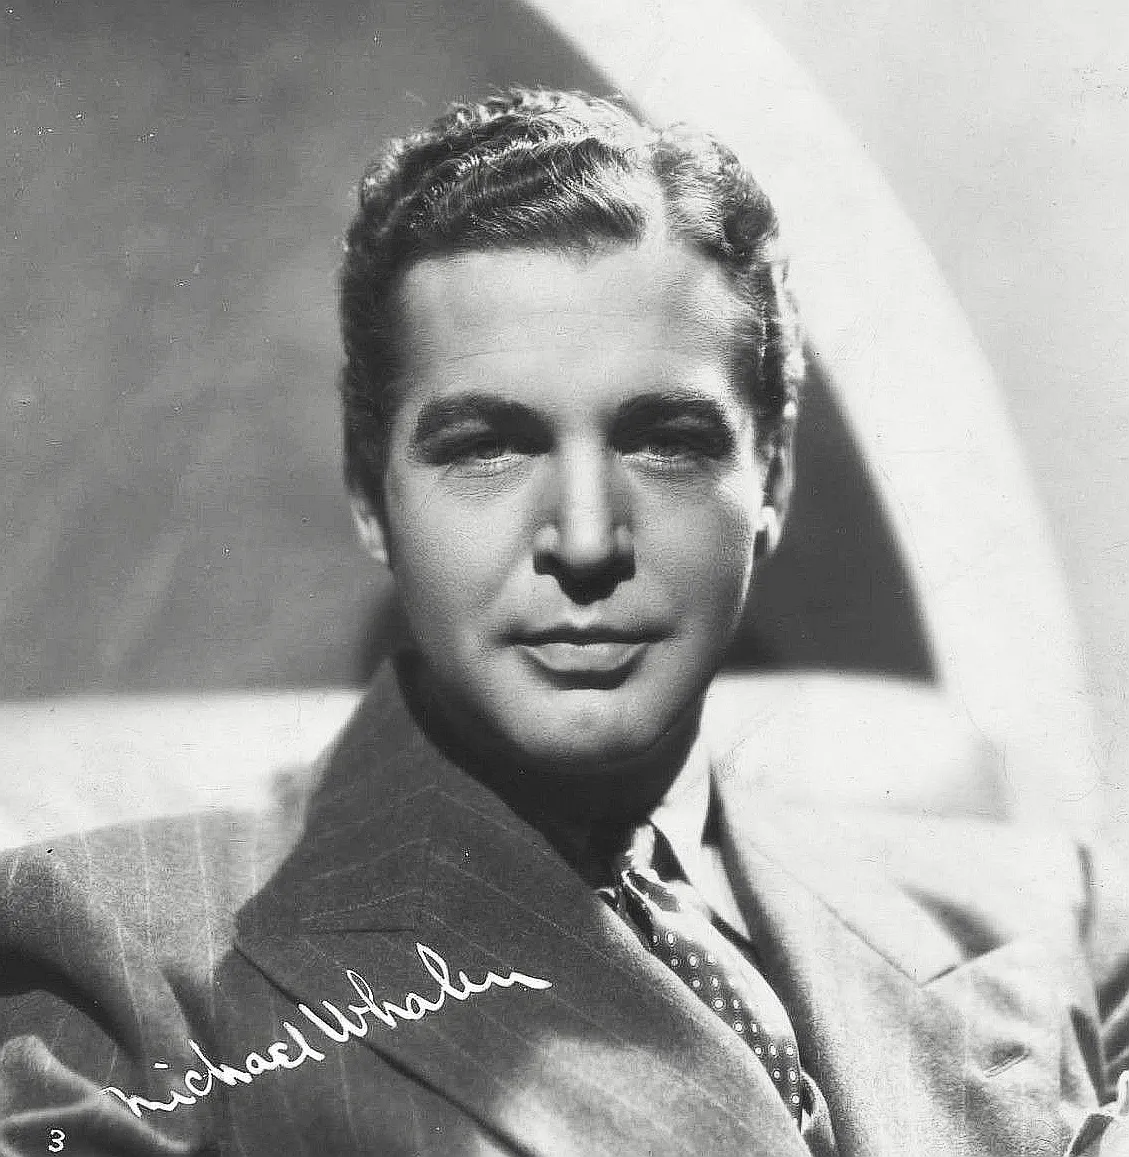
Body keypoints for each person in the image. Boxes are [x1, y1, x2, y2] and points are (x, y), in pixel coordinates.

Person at [2, 87, 1128, 1157]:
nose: (586, 539)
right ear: (370, 493)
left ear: (772, 480)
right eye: (488, 445)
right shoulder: (131, 955)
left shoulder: (1041, 919)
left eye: (665, 441)